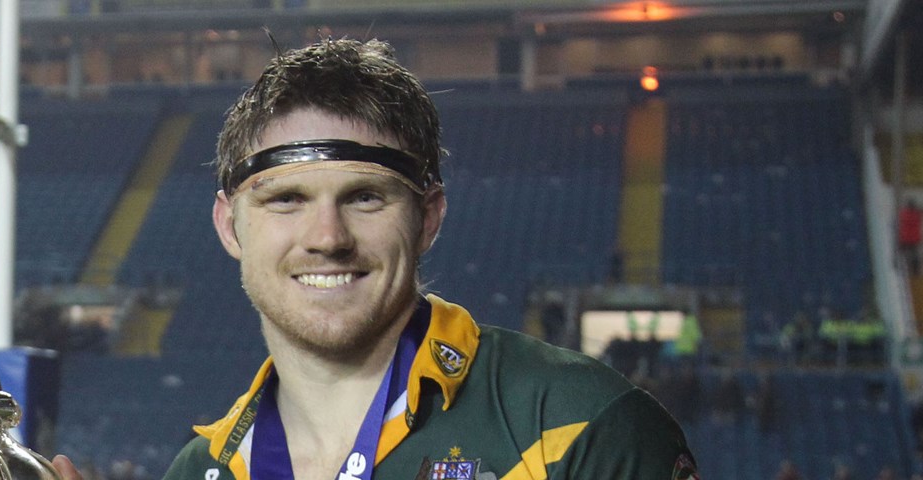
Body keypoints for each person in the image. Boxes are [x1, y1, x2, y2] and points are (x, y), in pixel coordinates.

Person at [159, 38, 696, 479]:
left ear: (428, 219)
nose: (327, 237)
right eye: (286, 199)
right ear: (229, 226)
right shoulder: (200, 470)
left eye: (365, 197)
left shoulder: (574, 424)